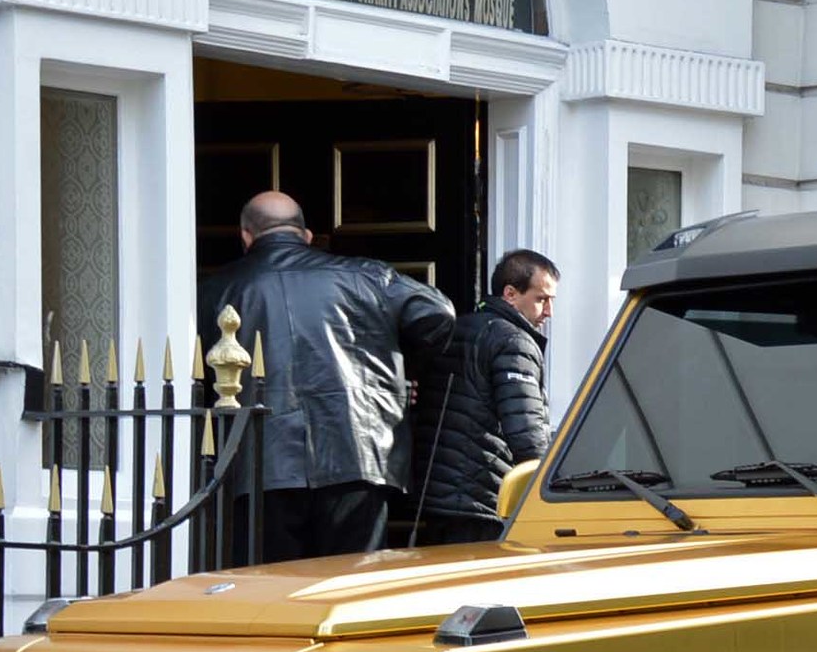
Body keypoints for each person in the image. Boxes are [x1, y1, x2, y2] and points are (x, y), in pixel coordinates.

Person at [197, 191, 456, 561]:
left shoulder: (215, 292)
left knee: (272, 590)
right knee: (353, 586)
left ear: (246, 237)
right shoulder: (366, 277)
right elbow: (439, 313)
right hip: (357, 452)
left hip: (261, 463)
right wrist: (398, 375)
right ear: (306, 235)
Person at [411, 249, 558, 544]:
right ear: (511, 294)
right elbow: (527, 434)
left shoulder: (453, 329)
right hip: (481, 497)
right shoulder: (514, 341)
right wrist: (550, 489)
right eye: (541, 299)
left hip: (433, 495)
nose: (548, 312)